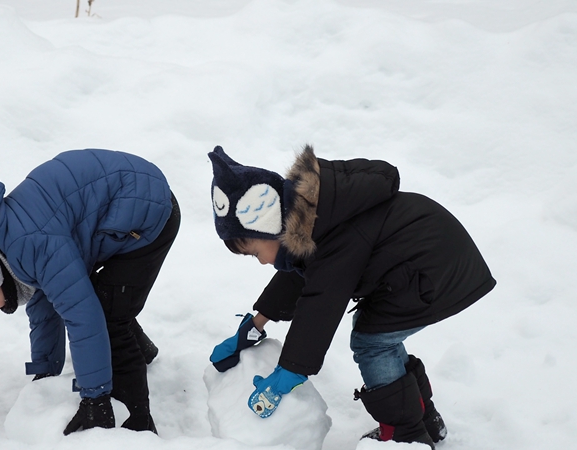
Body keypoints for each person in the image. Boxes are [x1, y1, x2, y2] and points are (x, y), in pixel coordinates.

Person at [207, 145, 495, 448]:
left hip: (432, 268)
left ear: (268, 227)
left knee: (372, 343)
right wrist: (257, 322)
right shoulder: (314, 218)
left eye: (255, 253)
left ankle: (405, 435)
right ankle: (424, 419)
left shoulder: (334, 236)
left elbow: (321, 303)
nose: (263, 261)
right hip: (427, 261)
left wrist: (291, 369)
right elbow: (301, 274)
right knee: (380, 335)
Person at [0, 148, 180, 435]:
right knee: (106, 298)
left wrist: (95, 398)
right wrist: (45, 372)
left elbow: (83, 316)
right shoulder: (7, 240)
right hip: (124, 199)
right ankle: (140, 351)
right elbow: (46, 305)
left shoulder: (31, 244)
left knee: (108, 315)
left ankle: (138, 425)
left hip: (148, 211)